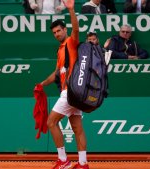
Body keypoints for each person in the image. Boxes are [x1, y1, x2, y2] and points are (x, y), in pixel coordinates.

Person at [39, 0, 89, 168]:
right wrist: (42, 84)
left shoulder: (71, 42)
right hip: (77, 93)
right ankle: (82, 163)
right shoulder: (60, 49)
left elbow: (76, 29)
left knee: (51, 122)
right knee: (77, 128)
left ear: (64, 30)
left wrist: (71, 9)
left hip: (70, 92)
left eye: (59, 31)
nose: (57, 34)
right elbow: (56, 74)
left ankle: (63, 160)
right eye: (54, 32)